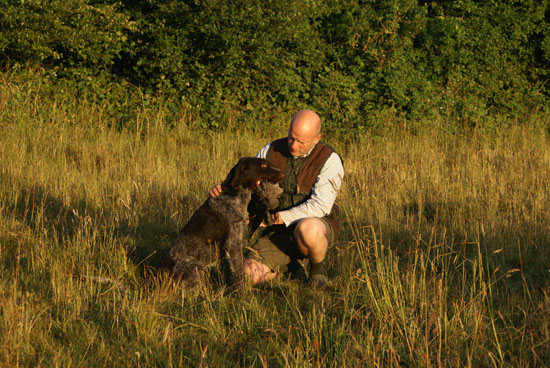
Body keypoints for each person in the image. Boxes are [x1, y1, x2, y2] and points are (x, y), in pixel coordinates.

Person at [210, 109, 344, 287]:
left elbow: (320, 206)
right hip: (277, 233)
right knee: (247, 275)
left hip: (313, 226)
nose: (293, 145)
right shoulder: (272, 149)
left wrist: (277, 218)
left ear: (316, 139)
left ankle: (316, 271)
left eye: (300, 141)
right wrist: (223, 189)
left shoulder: (329, 160)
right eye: (291, 137)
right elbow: (247, 179)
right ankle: (291, 265)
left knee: (308, 230)